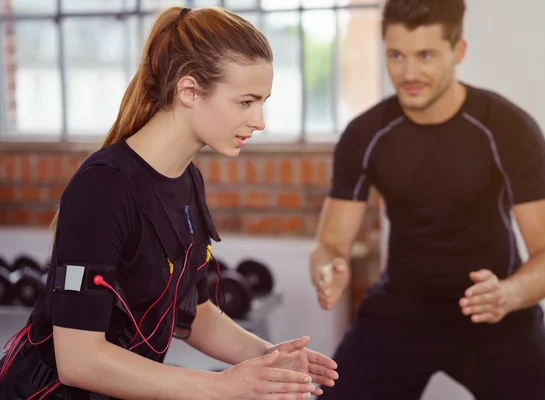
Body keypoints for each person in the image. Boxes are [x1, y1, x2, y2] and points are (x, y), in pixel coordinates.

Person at [0, 6, 338, 400]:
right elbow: (78, 360)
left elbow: (190, 315)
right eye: (246, 102)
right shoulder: (103, 188)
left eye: (262, 101)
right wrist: (220, 386)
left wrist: (269, 357)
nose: (260, 120)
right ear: (189, 90)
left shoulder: (186, 178)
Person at [310, 0, 545, 399]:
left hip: (494, 310)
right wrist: (329, 268)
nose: (409, 73)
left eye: (426, 55)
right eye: (396, 56)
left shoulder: (506, 128)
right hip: (401, 312)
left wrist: (509, 294)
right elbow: (331, 244)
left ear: (459, 51)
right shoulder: (365, 135)